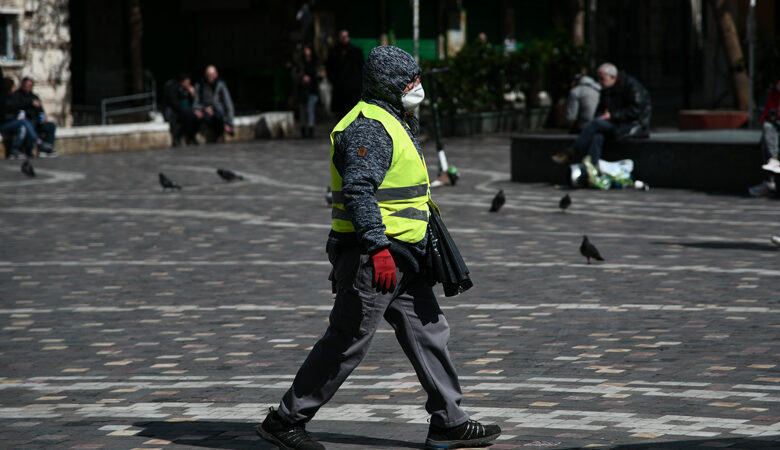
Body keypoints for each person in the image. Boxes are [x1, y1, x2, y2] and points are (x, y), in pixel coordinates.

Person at [256, 45, 501, 450]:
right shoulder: (369, 126)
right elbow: (358, 190)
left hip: (404, 255)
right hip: (375, 258)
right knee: (347, 340)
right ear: (388, 86)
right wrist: (377, 247)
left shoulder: (394, 118)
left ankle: (449, 421)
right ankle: (285, 420)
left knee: (428, 331)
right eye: (411, 82)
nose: (418, 87)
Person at [554, 63, 651, 173]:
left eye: (602, 78)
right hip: (616, 124)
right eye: (598, 78)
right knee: (597, 136)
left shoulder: (632, 86)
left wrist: (612, 115)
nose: (599, 82)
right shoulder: (607, 89)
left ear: (613, 77)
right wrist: (605, 116)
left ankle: (573, 151)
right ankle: (591, 171)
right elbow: (599, 111)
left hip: (633, 126)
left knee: (597, 123)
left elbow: (636, 110)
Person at [6, 77, 58, 157]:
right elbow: (17, 107)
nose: (28, 87)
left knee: (51, 126)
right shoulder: (17, 95)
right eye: (26, 85)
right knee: (29, 125)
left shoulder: (34, 97)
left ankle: (47, 148)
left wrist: (42, 117)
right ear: (22, 85)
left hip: (36, 121)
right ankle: (30, 149)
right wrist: (30, 103)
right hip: (25, 121)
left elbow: (41, 111)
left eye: (30, 86)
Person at [749, 79, 780, 197]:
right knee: (767, 131)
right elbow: (769, 109)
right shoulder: (775, 89)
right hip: (776, 124)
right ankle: (770, 179)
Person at [325, 29, 364, 117]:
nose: (343, 39)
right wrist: (333, 81)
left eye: (345, 37)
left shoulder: (356, 52)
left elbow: (361, 68)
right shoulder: (334, 52)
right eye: (342, 37)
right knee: (340, 116)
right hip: (340, 90)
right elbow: (329, 69)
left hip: (353, 90)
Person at [194, 65, 235, 142]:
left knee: (218, 117)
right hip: (205, 111)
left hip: (218, 112)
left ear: (216, 74)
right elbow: (196, 103)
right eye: (208, 75)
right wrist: (204, 108)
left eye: (212, 75)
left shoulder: (221, 85)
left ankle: (220, 133)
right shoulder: (200, 85)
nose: (210, 78)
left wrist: (229, 123)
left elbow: (228, 103)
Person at [163, 73, 200, 146]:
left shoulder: (187, 90)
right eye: (187, 82)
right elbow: (175, 104)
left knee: (197, 117)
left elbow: (193, 103)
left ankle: (191, 136)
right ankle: (178, 137)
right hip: (175, 112)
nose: (188, 84)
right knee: (188, 117)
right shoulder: (173, 88)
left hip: (186, 110)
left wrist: (192, 95)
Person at [296, 45, 322, 138]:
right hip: (302, 90)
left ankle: (311, 129)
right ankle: (303, 129)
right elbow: (294, 74)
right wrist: (302, 77)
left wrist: (319, 76)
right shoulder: (300, 62)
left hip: (313, 89)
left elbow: (320, 73)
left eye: (308, 49)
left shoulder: (315, 62)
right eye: (305, 49)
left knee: (310, 110)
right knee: (303, 110)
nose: (307, 51)